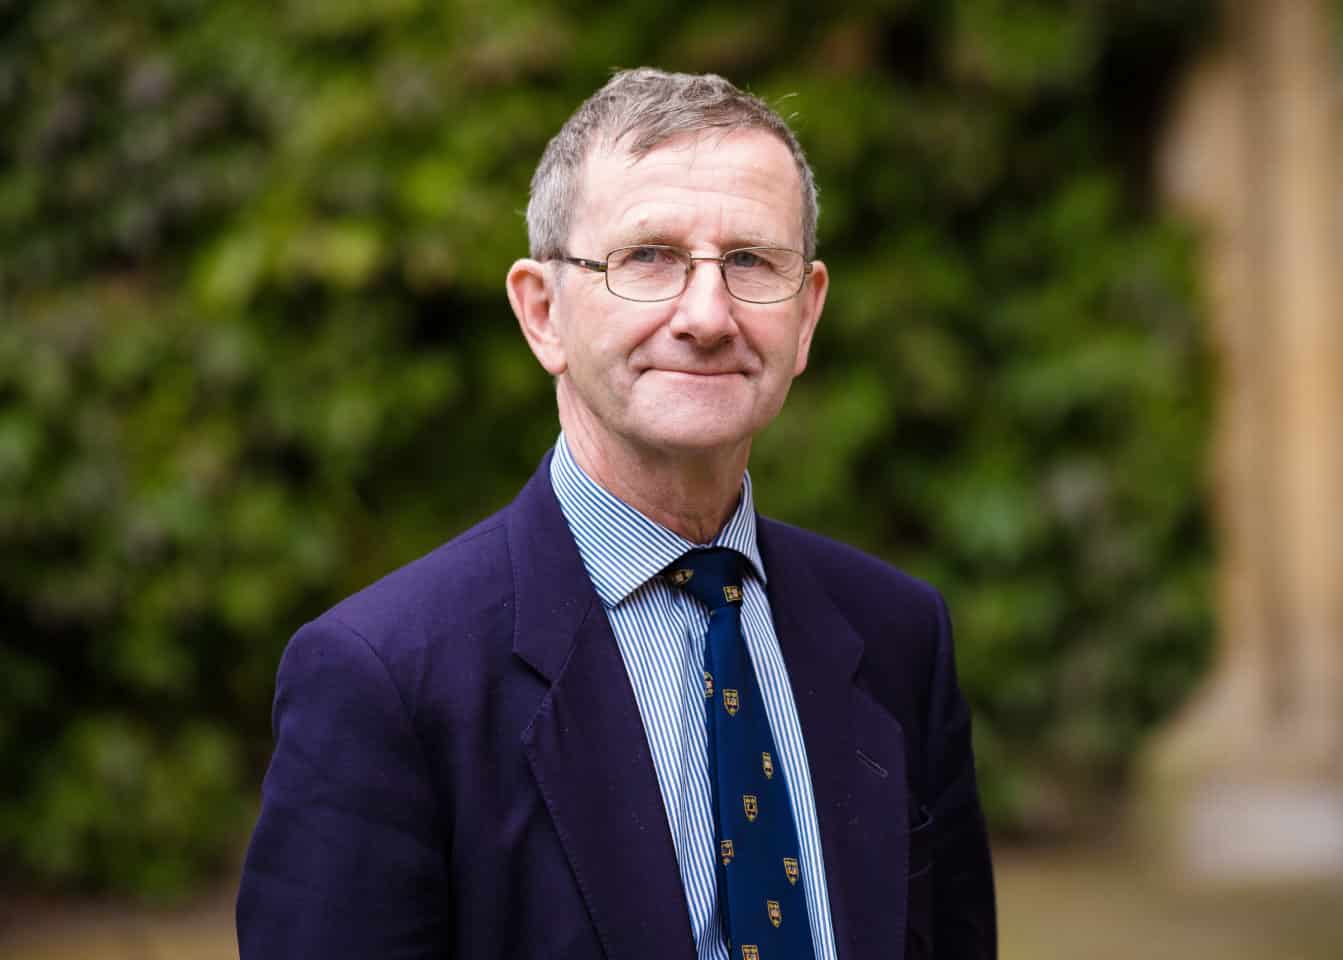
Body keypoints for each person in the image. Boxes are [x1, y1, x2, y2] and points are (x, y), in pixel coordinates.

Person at [237, 67, 996, 960]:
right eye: (649, 258)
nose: (708, 315)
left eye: (750, 261)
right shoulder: (385, 682)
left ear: (808, 315)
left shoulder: (898, 636)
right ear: (542, 312)